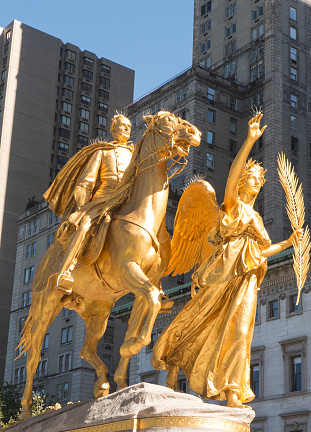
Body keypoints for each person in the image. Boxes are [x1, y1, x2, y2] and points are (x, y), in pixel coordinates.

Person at [152, 113, 302, 408]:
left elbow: (261, 251)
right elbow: (232, 177)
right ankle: (173, 353)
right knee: (199, 317)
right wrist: (249, 140)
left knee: (242, 331)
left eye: (260, 182)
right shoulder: (233, 207)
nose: (256, 185)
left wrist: (287, 244)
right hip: (222, 273)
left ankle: (233, 390)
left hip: (246, 278)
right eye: (254, 180)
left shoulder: (257, 218)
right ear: (244, 181)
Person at [44, 114, 133, 295]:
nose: (126, 129)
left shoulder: (135, 155)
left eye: (129, 127)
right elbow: (87, 182)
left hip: (127, 201)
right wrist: (83, 208)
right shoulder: (102, 152)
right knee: (84, 226)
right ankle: (66, 271)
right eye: (122, 125)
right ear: (113, 129)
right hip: (103, 200)